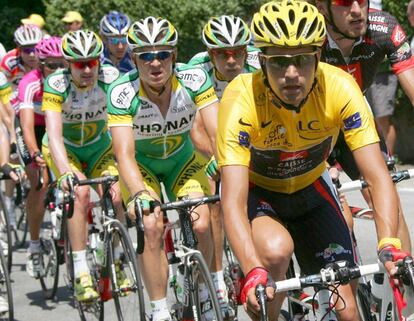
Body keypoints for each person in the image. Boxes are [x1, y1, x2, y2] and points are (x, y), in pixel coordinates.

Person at [218, 1, 404, 321]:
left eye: (303, 60)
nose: (292, 74)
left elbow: (377, 176)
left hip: (311, 188)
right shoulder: (241, 97)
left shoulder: (340, 87)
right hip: (260, 194)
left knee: (348, 309)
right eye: (279, 62)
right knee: (275, 254)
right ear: (261, 62)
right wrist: (252, 270)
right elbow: (232, 201)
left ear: (318, 56)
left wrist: (389, 242)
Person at [107, 16, 219, 321]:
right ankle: (158, 310)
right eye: (145, 55)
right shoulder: (121, 91)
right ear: (134, 59)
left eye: (162, 54)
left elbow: (216, 131)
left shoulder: (194, 79)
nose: (155, 63)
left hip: (182, 162)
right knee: (151, 224)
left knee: (202, 222)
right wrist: (141, 192)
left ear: (175, 55)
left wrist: (222, 161)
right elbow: (124, 155)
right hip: (140, 167)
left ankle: (205, 292)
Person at [315, 0, 414, 252]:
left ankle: (407, 281)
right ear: (322, 7)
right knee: (328, 213)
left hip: (355, 121)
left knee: (389, 202)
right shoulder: (311, 35)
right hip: (311, 128)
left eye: (362, 1)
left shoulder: (384, 27)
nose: (357, 11)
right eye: (344, 3)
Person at [41, 30, 126, 301]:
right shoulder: (56, 84)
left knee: (116, 193)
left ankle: (117, 258)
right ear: (68, 64)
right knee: (79, 193)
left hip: (99, 147)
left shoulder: (111, 77)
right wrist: (65, 170)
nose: (88, 69)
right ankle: (80, 272)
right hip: (65, 149)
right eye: (80, 64)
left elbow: (120, 125)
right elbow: (54, 135)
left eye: (92, 61)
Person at [188, 14, 260, 318]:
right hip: (207, 138)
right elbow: (194, 127)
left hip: (248, 134)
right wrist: (215, 157)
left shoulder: (257, 63)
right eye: (222, 53)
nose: (231, 60)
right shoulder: (196, 70)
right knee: (216, 201)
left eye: (237, 52)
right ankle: (217, 276)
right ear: (210, 53)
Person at [17, 37, 66, 278]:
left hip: (56, 127)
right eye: (51, 66)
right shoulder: (30, 83)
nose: (57, 71)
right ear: (41, 65)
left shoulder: (69, 81)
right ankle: (34, 245)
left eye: (62, 65)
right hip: (34, 130)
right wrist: (35, 153)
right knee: (40, 182)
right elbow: (26, 127)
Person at [0, 24, 42, 227]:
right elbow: (3, 95)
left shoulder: (44, 59)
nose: (32, 54)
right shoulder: (8, 62)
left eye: (36, 47)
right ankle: (8, 199)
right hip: (12, 103)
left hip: (37, 108)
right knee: (13, 151)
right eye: (27, 49)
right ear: (18, 47)